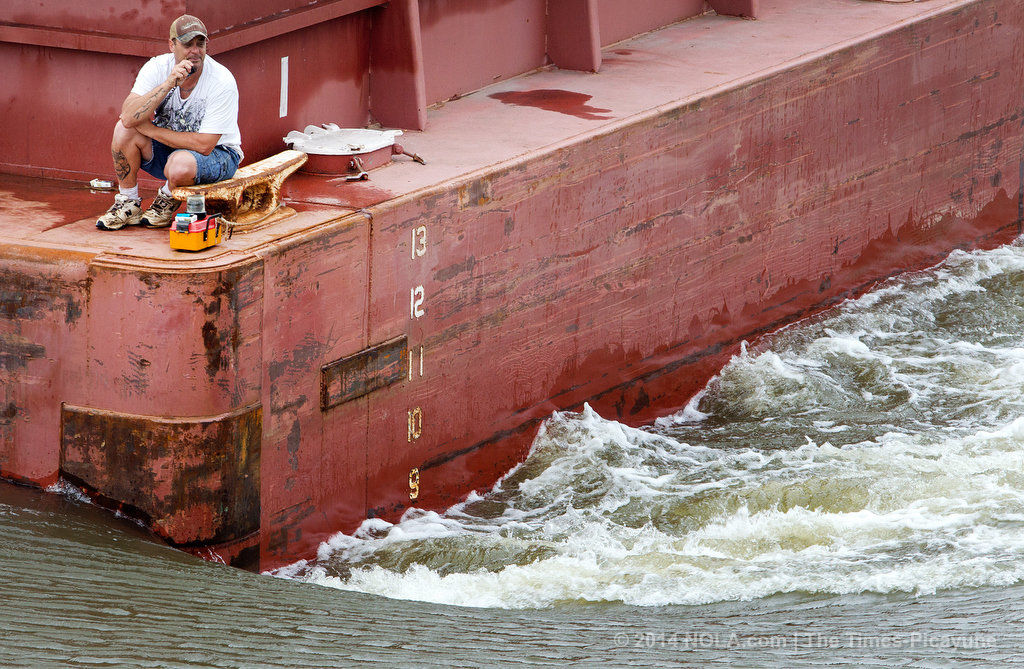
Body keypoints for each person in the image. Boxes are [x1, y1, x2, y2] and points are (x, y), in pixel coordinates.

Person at [97, 15, 243, 231]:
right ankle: (128, 202)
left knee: (179, 163)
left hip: (219, 155)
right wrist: (169, 83)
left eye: (200, 44)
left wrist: (151, 130)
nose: (194, 51)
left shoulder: (222, 80)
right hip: (171, 148)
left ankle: (166, 199)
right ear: (172, 45)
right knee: (123, 130)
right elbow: (128, 117)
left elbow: (205, 144)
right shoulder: (157, 67)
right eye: (187, 44)